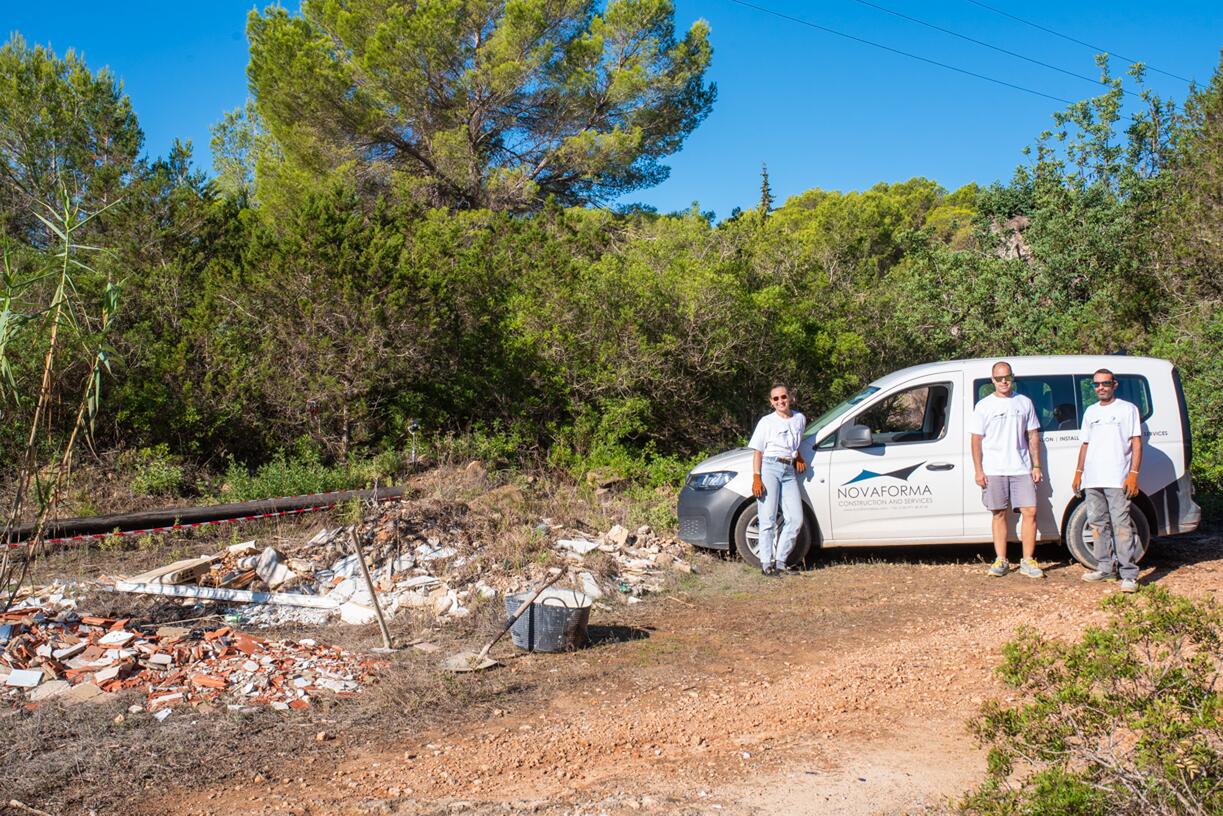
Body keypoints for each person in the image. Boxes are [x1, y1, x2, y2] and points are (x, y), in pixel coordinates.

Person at [970, 361, 1044, 578]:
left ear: (1013, 377)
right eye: (999, 378)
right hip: (994, 468)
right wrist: (978, 470)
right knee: (998, 513)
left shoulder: (1024, 402)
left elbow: (1033, 435)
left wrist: (1036, 464)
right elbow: (976, 440)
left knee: (1030, 511)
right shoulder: (984, 406)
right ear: (992, 380)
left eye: (1007, 377)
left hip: (1021, 467)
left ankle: (1028, 560)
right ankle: (1001, 560)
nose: (1003, 381)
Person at [1073, 369, 1143, 593]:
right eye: (1096, 385)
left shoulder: (1127, 409)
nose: (1100, 388)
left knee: (1121, 525)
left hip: (1117, 477)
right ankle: (1105, 567)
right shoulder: (1090, 412)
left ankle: (1129, 574)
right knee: (1097, 523)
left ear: (1114, 384)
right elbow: (1085, 444)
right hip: (1093, 477)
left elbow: (1136, 443)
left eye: (1105, 383)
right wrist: (1078, 471)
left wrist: (1133, 473)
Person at [748, 383, 807, 577]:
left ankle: (781, 561)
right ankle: (766, 564)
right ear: (771, 402)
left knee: (795, 518)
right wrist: (757, 477)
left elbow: (794, 442)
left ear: (790, 397)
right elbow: (758, 451)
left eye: (783, 397)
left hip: (788, 469)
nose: (780, 401)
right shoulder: (766, 422)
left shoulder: (799, 418)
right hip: (770, 467)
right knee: (768, 518)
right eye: (776, 399)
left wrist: (797, 455)